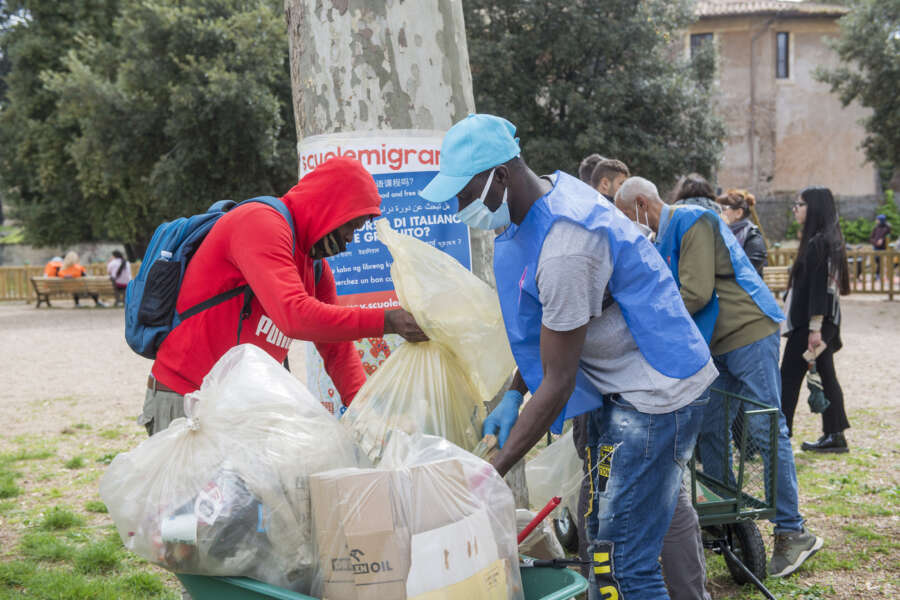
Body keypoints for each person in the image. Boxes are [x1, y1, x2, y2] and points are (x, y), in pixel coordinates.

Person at [421, 114, 718, 599]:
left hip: (654, 395)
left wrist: (490, 473)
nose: (458, 206)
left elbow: (558, 383)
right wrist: (513, 393)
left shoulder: (565, 247)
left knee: (622, 562)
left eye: (462, 192)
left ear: (500, 176)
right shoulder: (548, 198)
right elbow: (555, 326)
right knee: (606, 531)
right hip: (621, 389)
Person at [615, 176, 823, 578]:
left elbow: (694, 293)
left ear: (642, 202)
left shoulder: (694, 221)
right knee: (708, 428)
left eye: (626, 216)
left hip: (747, 331)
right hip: (715, 344)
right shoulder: (662, 239)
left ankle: (791, 530)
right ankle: (726, 521)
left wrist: (643, 323)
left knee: (764, 427)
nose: (627, 226)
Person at [143, 157, 427, 436]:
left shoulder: (315, 268)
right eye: (351, 226)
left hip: (244, 412)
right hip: (188, 402)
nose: (351, 239)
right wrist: (388, 320)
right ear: (330, 208)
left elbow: (337, 349)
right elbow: (295, 316)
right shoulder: (259, 223)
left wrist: (366, 417)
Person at [780, 187, 851, 453]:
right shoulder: (828, 240)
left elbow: (819, 289)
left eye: (799, 204)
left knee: (788, 376)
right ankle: (835, 435)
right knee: (825, 373)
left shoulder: (819, 243)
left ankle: (778, 434)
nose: (795, 209)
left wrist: (815, 328)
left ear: (814, 208)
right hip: (822, 324)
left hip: (813, 325)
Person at [717, 189, 768, 275]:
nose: (718, 212)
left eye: (723, 208)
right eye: (717, 208)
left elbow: (748, 270)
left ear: (738, 213)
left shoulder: (753, 236)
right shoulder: (719, 232)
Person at [869, 214, 891, 280]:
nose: (876, 221)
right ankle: (877, 274)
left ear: (881, 220)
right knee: (877, 260)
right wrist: (875, 242)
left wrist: (882, 240)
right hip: (876, 247)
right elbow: (871, 238)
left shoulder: (887, 227)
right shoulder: (875, 227)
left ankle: (879, 275)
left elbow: (888, 236)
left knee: (882, 261)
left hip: (884, 247)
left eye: (877, 219)